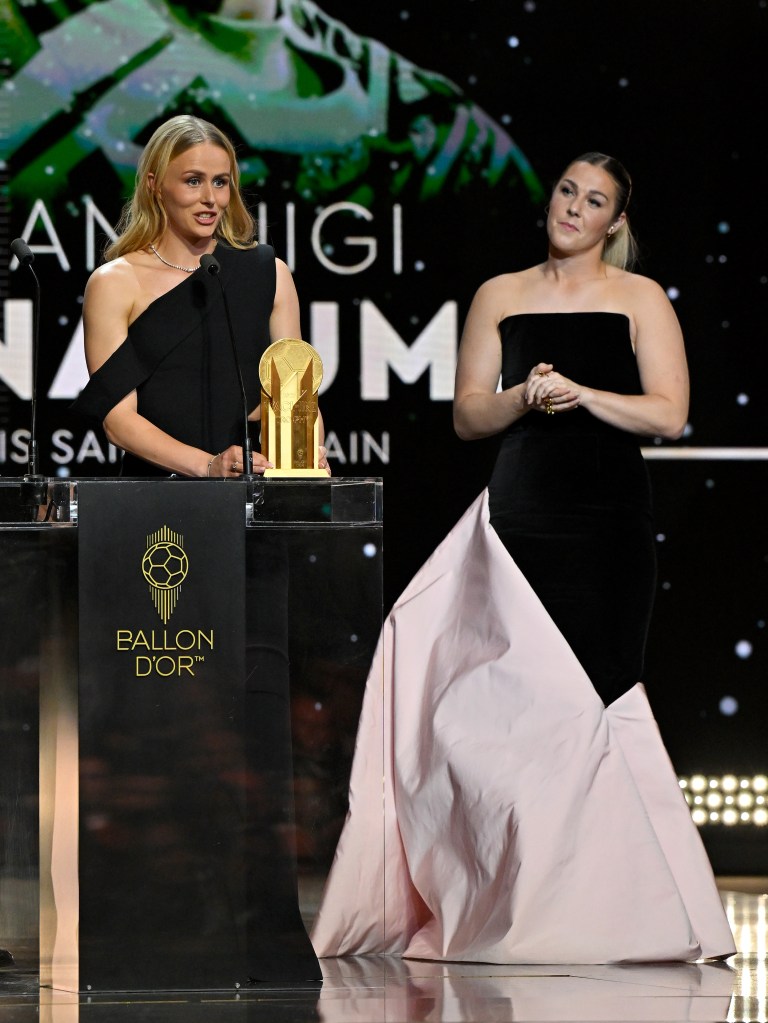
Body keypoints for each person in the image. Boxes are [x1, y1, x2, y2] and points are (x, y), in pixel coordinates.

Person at [310, 153, 736, 964]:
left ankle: (616, 913)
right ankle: (521, 904)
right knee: (510, 715)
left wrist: (580, 393)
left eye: (595, 201)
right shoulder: (500, 295)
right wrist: (522, 396)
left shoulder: (639, 298)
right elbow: (469, 416)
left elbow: (670, 415)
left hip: (609, 523)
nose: (573, 207)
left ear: (615, 223)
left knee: (596, 701)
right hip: (521, 516)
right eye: (568, 190)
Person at [73, 113, 328, 476]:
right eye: (193, 181)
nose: (210, 198)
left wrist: (308, 456)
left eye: (221, 182)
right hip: (156, 499)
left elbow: (296, 401)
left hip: (254, 493)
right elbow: (119, 421)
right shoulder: (115, 283)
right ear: (155, 185)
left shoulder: (268, 273)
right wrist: (208, 466)